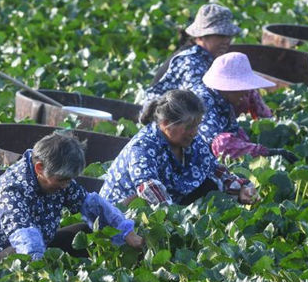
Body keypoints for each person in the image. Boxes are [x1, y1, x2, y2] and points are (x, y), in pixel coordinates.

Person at [0, 132, 145, 261]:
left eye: (69, 180)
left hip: (36, 245)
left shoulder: (59, 180)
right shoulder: (12, 190)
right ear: (39, 168)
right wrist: (44, 274)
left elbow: (91, 205)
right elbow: (25, 240)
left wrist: (126, 231)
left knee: (87, 230)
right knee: (18, 251)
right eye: (62, 180)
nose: (66, 185)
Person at [100, 89, 259, 207]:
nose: (194, 132)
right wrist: (177, 219)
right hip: (120, 213)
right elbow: (148, 187)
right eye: (189, 127)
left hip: (171, 204)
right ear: (165, 124)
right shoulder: (143, 145)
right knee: (143, 197)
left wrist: (241, 188)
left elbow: (213, 168)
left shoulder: (192, 141)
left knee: (211, 185)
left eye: (196, 126)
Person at [144, 3, 273, 125]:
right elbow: (201, 103)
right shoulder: (191, 62)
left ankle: (268, 120)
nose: (227, 40)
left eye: (229, 36)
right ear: (200, 36)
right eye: (220, 35)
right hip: (163, 121)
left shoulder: (210, 57)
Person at [196, 52, 298, 163]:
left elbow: (237, 130)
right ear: (229, 87)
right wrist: (267, 152)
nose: (245, 93)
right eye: (242, 89)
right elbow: (222, 145)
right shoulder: (204, 101)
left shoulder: (225, 97)